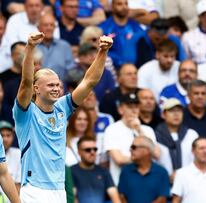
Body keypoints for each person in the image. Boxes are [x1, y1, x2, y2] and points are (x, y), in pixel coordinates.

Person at [13, 31, 112, 202]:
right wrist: (30, 48)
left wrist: (102, 52)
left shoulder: (62, 107)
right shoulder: (25, 112)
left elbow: (89, 81)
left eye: (58, 85)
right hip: (34, 189)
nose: (56, 89)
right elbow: (26, 82)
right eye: (50, 85)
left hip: (59, 189)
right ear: (36, 88)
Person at [103, 93, 159, 185]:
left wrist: (139, 130)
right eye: (130, 107)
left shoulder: (147, 130)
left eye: (136, 107)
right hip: (122, 183)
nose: (134, 110)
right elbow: (119, 159)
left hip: (147, 183)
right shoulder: (112, 129)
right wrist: (145, 159)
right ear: (120, 109)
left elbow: (157, 154)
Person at [156, 98, 198, 182]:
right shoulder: (155, 135)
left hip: (189, 182)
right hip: (162, 183)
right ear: (163, 114)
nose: (176, 114)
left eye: (179, 111)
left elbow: (197, 159)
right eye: (171, 111)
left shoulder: (191, 134)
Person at [118, 136, 170, 203]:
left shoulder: (162, 172)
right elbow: (122, 196)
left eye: (134, 147)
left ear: (146, 150)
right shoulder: (125, 171)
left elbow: (162, 199)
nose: (130, 150)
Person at [71, 136, 121, 203]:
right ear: (79, 152)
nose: (92, 152)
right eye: (88, 150)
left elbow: (115, 197)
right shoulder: (71, 171)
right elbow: (73, 198)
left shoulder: (104, 171)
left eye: (95, 149)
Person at [99, 0, 143, 69]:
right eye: (119, 4)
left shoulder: (135, 26)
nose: (124, 7)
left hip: (134, 69)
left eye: (126, 4)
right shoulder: (104, 27)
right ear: (112, 7)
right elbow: (100, 49)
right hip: (111, 69)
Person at [172, 138, 206, 203]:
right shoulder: (182, 173)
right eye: (201, 148)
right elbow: (176, 200)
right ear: (193, 150)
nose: (205, 151)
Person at [36, 13, 75, 81]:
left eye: (52, 25)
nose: (49, 28)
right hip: (37, 87)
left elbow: (71, 70)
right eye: (46, 25)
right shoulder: (32, 46)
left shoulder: (64, 46)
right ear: (38, 28)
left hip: (60, 87)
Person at [0, 120, 22, 202]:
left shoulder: (18, 154)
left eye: (8, 135)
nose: (5, 139)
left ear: (13, 137)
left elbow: (18, 185)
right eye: (2, 135)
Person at [182, 0, 206, 65]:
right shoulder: (188, 37)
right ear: (199, 17)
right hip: (198, 73)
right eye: (203, 14)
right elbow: (186, 62)